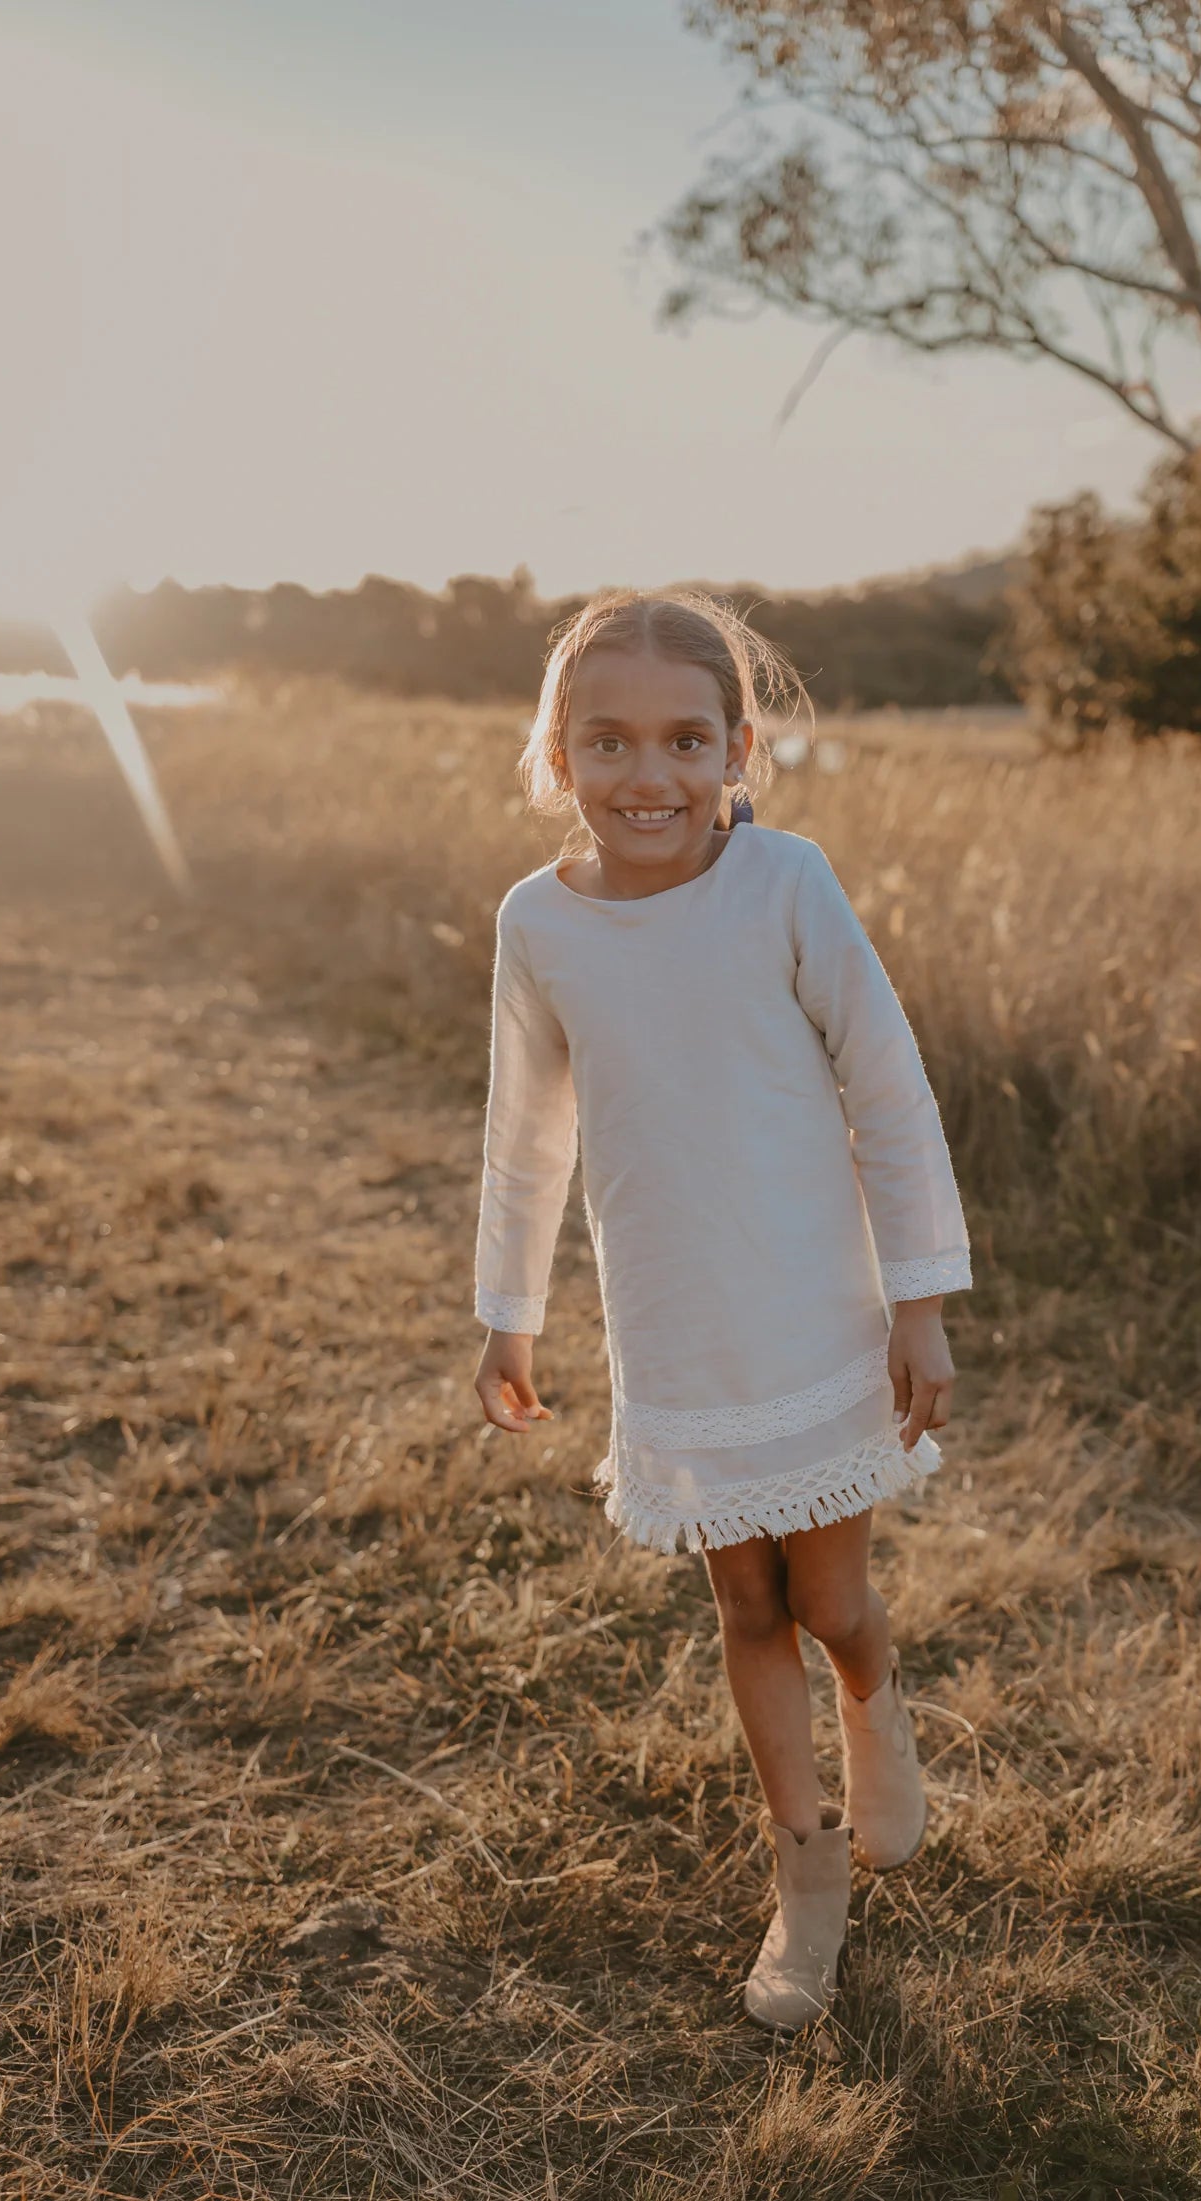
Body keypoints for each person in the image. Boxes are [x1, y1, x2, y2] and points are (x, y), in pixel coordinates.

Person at [471, 589, 971, 2032]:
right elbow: (526, 1131)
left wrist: (919, 1306)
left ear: (739, 748)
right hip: (674, 1323)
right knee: (746, 1603)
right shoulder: (537, 924)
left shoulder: (787, 886)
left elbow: (888, 1085)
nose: (650, 775)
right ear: (557, 754)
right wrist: (509, 1306)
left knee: (831, 1600)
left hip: (815, 1315)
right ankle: (805, 1877)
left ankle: (880, 1714)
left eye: (686, 738)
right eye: (608, 740)